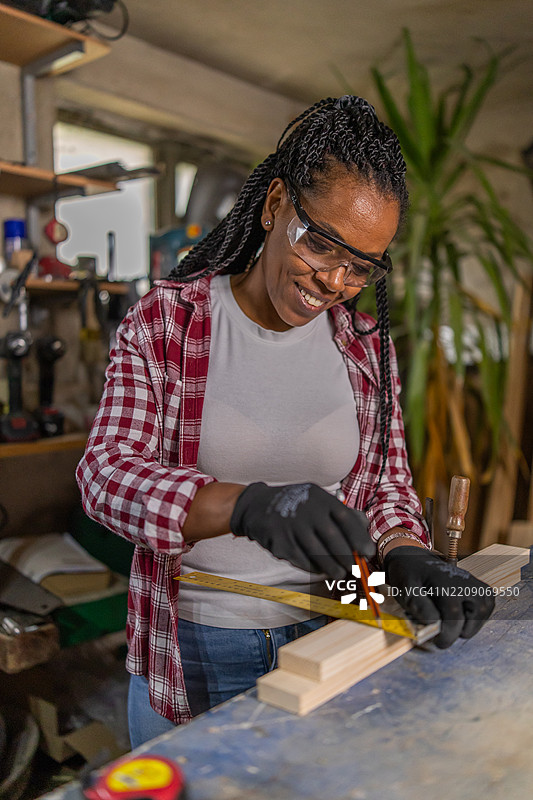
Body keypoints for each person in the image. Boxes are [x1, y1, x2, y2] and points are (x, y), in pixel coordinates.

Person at [76, 95, 494, 748]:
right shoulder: (169, 323)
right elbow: (106, 477)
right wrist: (247, 506)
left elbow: (383, 484)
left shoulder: (364, 344)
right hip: (207, 638)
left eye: (361, 267)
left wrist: (406, 553)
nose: (334, 280)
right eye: (321, 245)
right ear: (274, 205)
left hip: (339, 620)